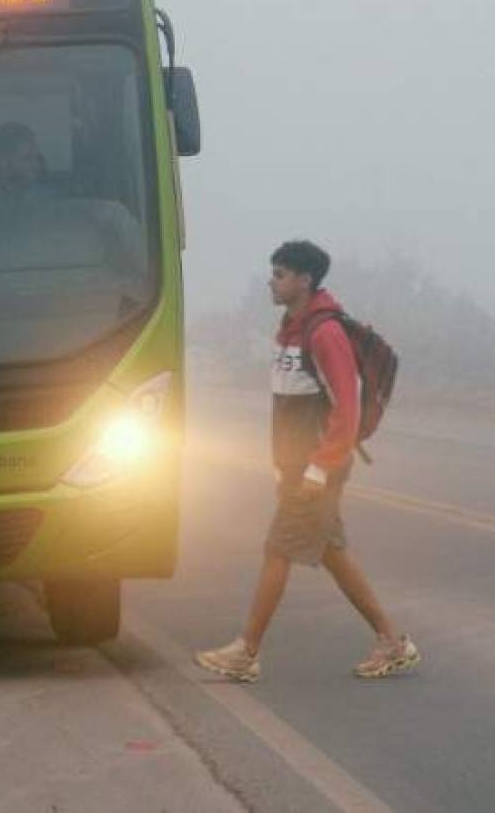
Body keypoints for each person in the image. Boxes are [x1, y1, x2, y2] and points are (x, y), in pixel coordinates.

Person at [195, 240, 419, 682]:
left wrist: (318, 468)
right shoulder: (291, 329)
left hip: (318, 468)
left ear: (305, 280)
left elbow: (347, 409)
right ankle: (392, 641)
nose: (272, 281)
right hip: (298, 466)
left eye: (280, 274)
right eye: (273, 272)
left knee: (278, 549)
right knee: (332, 553)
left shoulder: (324, 333)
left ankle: (246, 652)